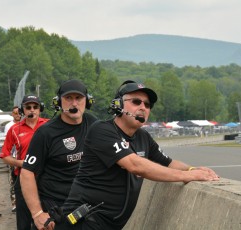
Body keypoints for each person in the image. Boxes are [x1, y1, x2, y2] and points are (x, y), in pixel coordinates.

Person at [56, 80, 220, 230]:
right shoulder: (101, 130)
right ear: (118, 104)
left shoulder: (143, 137)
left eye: (147, 105)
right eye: (136, 102)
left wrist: (192, 169)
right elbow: (135, 165)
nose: (143, 107)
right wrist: (185, 176)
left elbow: (167, 162)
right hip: (82, 222)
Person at [20, 79, 97, 230]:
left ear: (87, 102)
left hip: (84, 207)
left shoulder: (92, 123)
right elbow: (26, 173)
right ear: (58, 103)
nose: (74, 104)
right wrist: (37, 214)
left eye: (78, 98)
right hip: (54, 211)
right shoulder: (46, 132)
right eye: (68, 98)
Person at [0, 95, 49, 230]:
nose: (32, 110)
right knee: (24, 222)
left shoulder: (49, 125)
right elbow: (4, 155)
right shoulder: (14, 129)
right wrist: (22, 163)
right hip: (23, 179)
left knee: (47, 219)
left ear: (40, 109)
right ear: (23, 110)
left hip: (46, 179)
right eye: (28, 107)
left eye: (35, 107)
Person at [4, 106, 22, 213]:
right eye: (15, 113)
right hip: (13, 158)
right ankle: (14, 203)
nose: (17, 114)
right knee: (13, 182)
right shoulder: (9, 126)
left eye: (19, 112)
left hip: (23, 157)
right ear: (12, 114)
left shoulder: (25, 124)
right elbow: (9, 143)